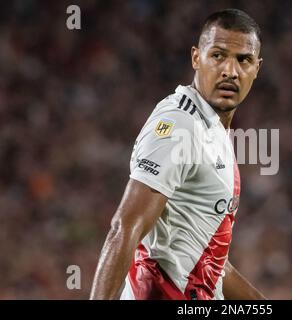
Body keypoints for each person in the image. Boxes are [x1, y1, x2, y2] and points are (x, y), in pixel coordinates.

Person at [90, 8, 265, 300]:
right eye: (218, 55)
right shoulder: (179, 124)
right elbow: (124, 227)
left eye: (243, 60)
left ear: (256, 68)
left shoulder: (212, 130)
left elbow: (211, 261)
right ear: (197, 58)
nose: (230, 71)